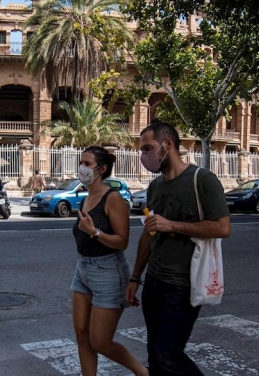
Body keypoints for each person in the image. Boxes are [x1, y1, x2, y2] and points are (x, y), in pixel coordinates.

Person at [126, 123, 231, 375]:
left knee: (168, 354)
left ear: (168, 145)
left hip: (183, 285)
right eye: (142, 151)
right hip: (154, 283)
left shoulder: (202, 180)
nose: (144, 157)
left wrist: (171, 224)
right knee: (155, 354)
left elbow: (222, 228)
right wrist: (135, 277)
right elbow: (149, 234)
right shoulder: (155, 187)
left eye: (148, 149)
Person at [71, 146, 148, 376]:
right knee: (82, 334)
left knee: (101, 342)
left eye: (87, 164)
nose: (81, 168)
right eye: (81, 162)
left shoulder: (112, 198)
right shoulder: (86, 198)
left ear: (102, 169)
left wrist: (95, 233)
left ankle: (143, 372)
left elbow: (122, 241)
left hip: (108, 271)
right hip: (83, 268)